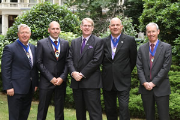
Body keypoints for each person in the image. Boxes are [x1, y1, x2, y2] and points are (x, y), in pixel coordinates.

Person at [67, 18, 103, 120]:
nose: (86, 28)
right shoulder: (74, 42)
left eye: (89, 26)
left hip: (91, 83)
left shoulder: (98, 41)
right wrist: (73, 72)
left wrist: (81, 74)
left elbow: (96, 61)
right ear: (81, 27)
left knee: (94, 113)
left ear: (92, 28)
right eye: (85, 25)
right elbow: (69, 59)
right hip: (77, 84)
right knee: (80, 113)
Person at [102, 17, 137, 120]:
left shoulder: (129, 40)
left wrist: (124, 71)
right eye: (113, 25)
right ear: (109, 27)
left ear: (121, 27)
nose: (115, 27)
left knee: (124, 107)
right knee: (110, 108)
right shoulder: (103, 41)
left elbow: (133, 60)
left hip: (123, 80)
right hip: (108, 81)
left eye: (117, 25)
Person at [1, 24, 38, 120]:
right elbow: (5, 69)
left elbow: (33, 67)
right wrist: (8, 87)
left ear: (30, 34)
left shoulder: (33, 48)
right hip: (15, 89)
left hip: (29, 88)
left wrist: (35, 83)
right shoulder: (10, 48)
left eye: (26, 32)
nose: (24, 35)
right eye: (22, 33)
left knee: (24, 115)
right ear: (18, 34)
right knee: (14, 116)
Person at [136, 22, 171, 120]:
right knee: (148, 116)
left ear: (158, 32)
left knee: (164, 116)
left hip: (161, 88)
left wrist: (153, 83)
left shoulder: (166, 47)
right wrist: (144, 82)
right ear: (146, 33)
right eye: (149, 32)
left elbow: (165, 68)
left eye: (153, 31)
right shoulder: (142, 48)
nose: (151, 34)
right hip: (145, 88)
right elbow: (139, 67)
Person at [36, 21, 69, 120]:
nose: (55, 31)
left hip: (60, 82)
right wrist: (50, 78)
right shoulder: (41, 43)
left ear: (60, 30)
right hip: (46, 81)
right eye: (53, 29)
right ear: (49, 30)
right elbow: (39, 62)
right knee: (42, 109)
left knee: (59, 109)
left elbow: (68, 62)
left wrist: (62, 77)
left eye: (57, 28)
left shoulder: (65, 43)